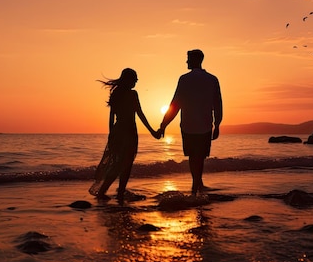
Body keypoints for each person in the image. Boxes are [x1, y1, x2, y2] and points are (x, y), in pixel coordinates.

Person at [158, 49, 223, 195]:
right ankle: (197, 183)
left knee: (193, 156)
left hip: (188, 124)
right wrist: (217, 124)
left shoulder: (184, 79)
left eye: (188, 59)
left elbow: (175, 104)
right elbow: (217, 103)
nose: (186, 62)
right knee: (200, 156)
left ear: (195, 60)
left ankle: (196, 183)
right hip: (205, 124)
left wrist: (164, 124)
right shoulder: (212, 79)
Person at [89, 68, 160, 201]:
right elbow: (140, 114)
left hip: (117, 130)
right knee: (126, 164)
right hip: (129, 131)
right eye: (134, 79)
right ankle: (119, 192)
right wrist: (152, 132)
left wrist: (111, 134)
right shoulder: (132, 94)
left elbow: (111, 117)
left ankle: (103, 191)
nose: (136, 82)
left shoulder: (116, 93)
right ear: (128, 80)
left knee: (116, 163)